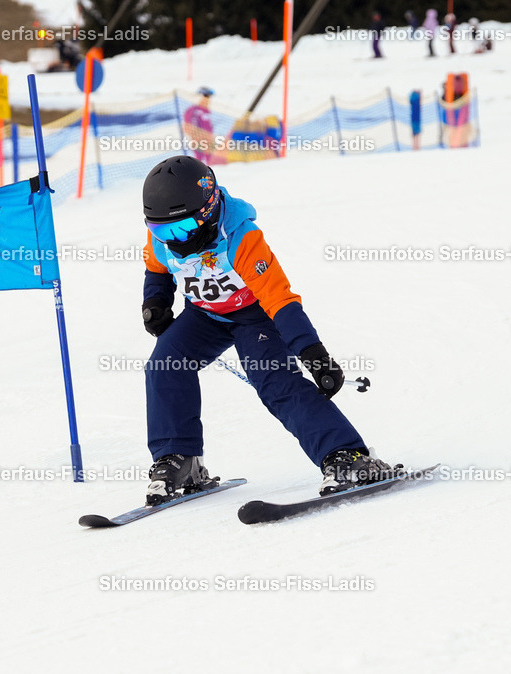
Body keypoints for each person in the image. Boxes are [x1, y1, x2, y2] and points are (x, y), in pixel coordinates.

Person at [139, 156, 392, 505]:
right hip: (205, 314)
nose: (171, 240)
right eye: (161, 231)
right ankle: (179, 458)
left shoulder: (242, 238)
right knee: (164, 365)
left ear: (208, 211)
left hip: (255, 315)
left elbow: (279, 300)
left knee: (274, 380)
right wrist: (156, 302)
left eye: (180, 230)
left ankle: (346, 456)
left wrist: (313, 353)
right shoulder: (163, 239)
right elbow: (157, 268)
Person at [183, 87, 219, 165]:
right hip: (198, 138)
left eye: (208, 97)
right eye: (206, 96)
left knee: (209, 159)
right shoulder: (193, 110)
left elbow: (209, 126)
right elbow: (187, 125)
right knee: (199, 159)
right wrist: (195, 134)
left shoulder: (207, 111)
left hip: (207, 139)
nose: (208, 100)